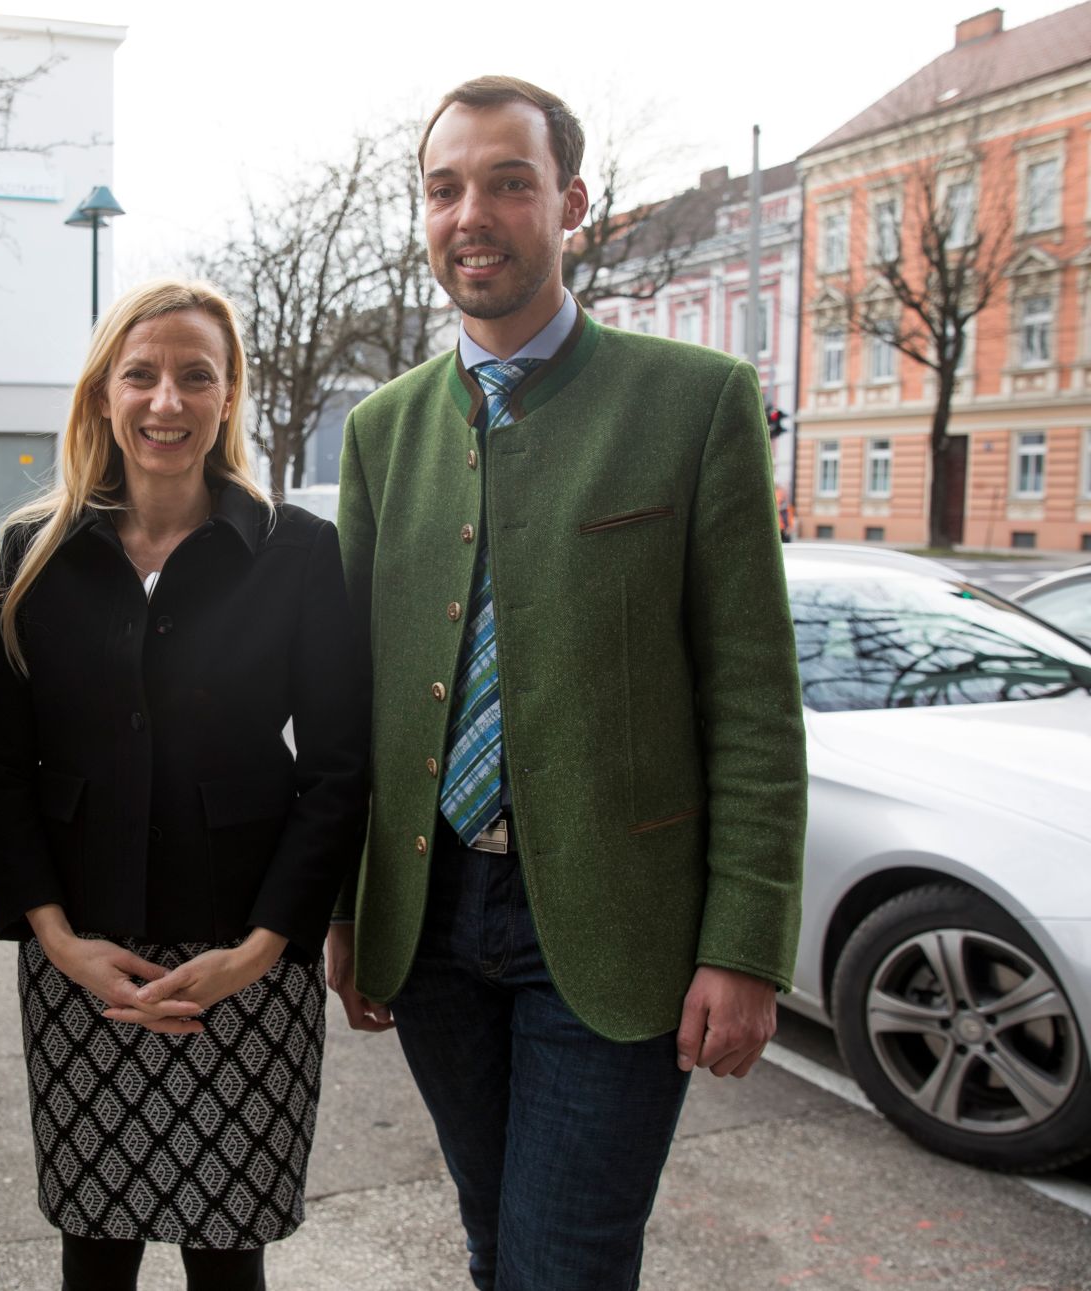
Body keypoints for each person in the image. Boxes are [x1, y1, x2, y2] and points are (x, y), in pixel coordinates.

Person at [326, 76, 807, 1291]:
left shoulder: (693, 402)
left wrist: (744, 944)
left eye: (506, 182)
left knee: (566, 1263)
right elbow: (350, 700)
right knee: (494, 1235)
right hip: (430, 925)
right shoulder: (382, 432)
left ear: (570, 202)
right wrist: (345, 906)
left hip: (609, 922)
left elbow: (750, 697)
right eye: (444, 188)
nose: (469, 213)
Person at [0, 278, 369, 1291]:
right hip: (81, 955)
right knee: (93, 1251)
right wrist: (55, 938)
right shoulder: (34, 554)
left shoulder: (295, 552)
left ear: (228, 394)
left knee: (224, 1254)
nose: (166, 400)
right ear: (102, 395)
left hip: (244, 952)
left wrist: (265, 947)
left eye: (196, 376)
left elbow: (335, 769)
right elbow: (0, 765)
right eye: (140, 374)